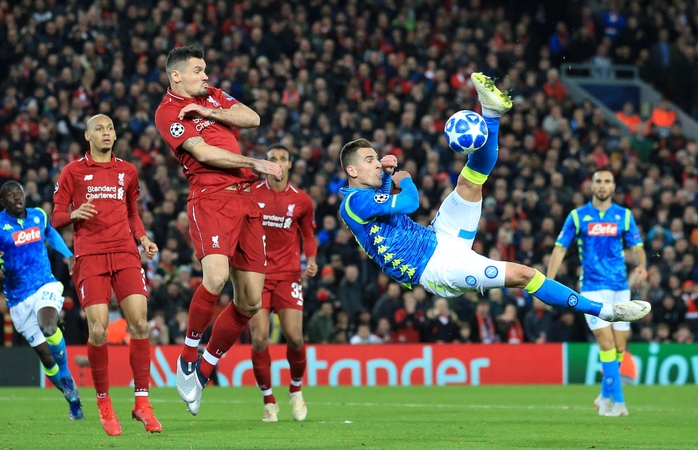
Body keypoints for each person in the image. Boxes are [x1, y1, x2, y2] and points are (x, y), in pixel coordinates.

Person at [338, 73, 650, 354]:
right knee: (524, 274)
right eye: (370, 159)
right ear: (352, 170)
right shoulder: (353, 202)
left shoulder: (366, 195)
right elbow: (409, 203)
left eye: (376, 157)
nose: (377, 162)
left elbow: (387, 205)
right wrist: (402, 176)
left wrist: (386, 175)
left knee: (470, 182)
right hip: (435, 267)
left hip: (436, 235)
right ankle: (607, 312)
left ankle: (491, 114)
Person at [154, 45, 282, 415]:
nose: (206, 75)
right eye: (198, 70)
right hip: (211, 199)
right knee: (215, 276)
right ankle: (187, 356)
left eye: (206, 69)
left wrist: (210, 109)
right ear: (177, 75)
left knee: (251, 301)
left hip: (247, 202)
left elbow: (252, 118)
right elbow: (205, 153)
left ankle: (205, 369)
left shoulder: (210, 97)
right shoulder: (167, 112)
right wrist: (254, 162)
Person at [52, 114, 161, 436]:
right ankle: (103, 401)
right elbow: (56, 215)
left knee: (140, 323)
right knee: (98, 330)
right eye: (99, 129)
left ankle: (142, 402)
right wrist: (72, 214)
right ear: (87, 135)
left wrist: (143, 239)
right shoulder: (73, 171)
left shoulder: (127, 170)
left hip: (126, 252)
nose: (106, 133)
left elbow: (132, 213)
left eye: (110, 128)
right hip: (90, 256)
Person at [547, 168, 647, 416]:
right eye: (598, 181)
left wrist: (643, 265)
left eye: (607, 181)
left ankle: (604, 395)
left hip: (620, 288)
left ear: (613, 187)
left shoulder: (624, 216)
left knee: (620, 347)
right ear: (592, 186)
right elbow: (560, 248)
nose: (602, 185)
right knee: (606, 342)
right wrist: (548, 281)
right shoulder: (578, 216)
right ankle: (619, 403)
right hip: (592, 289)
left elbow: (637, 246)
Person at [0, 181, 83, 420]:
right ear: (3, 201)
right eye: (10, 194)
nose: (17, 196)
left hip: (44, 283)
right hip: (18, 299)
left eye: (20, 192)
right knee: (46, 357)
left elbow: (49, 233)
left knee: (48, 326)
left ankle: (66, 374)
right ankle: (71, 396)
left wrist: (68, 255)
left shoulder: (38, 215)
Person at [248, 144, 318, 422]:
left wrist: (310, 259)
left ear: (290, 164)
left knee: (295, 336)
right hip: (257, 276)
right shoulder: (252, 194)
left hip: (288, 274)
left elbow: (308, 235)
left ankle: (296, 390)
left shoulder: (301, 200)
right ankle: (268, 401)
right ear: (265, 164)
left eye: (282, 159)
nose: (277, 163)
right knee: (259, 338)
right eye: (272, 159)